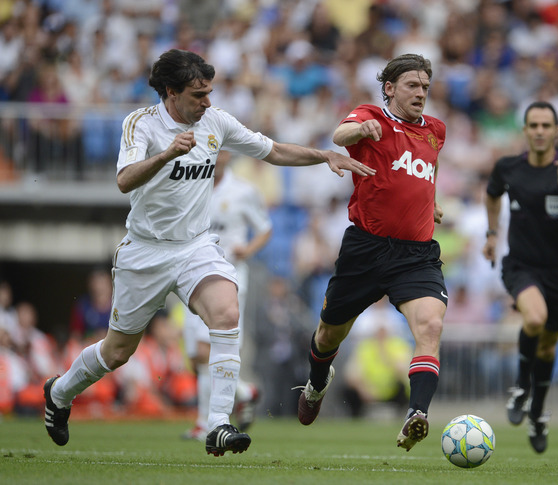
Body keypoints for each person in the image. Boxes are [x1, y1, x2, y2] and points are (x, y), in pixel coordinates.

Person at [42, 48, 375, 457]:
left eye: (209, 92)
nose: (208, 102)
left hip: (196, 246)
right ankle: (58, 392)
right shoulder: (142, 124)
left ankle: (217, 423)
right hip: (145, 251)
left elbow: (271, 150)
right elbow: (124, 180)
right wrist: (166, 155)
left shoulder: (215, 121)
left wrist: (322, 155)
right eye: (199, 95)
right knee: (117, 351)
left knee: (226, 312)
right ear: (171, 92)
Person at [294, 53, 448, 453]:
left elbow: (420, 173)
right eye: (413, 86)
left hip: (417, 254)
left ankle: (417, 414)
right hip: (367, 248)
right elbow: (340, 136)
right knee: (330, 334)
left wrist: (429, 203)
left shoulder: (436, 131)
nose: (421, 94)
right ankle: (317, 382)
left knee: (430, 326)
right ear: (390, 88)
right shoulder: (370, 116)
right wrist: (359, 129)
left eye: (425, 87)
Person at [482, 100, 558, 453]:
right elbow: (491, 196)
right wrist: (492, 235)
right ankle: (521, 387)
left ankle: (537, 413)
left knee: (548, 346)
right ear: (524, 130)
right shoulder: (507, 167)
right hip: (520, 265)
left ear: (556, 131)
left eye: (545, 126)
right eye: (532, 125)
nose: (538, 131)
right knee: (534, 319)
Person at [181, 150, 272, 440]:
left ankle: (204, 422)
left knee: (211, 348)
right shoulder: (192, 184)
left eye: (220, 152)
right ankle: (244, 392)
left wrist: (248, 249)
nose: (215, 157)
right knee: (197, 353)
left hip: (230, 279)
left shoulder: (243, 191)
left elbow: (265, 229)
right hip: (194, 276)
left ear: (228, 155)